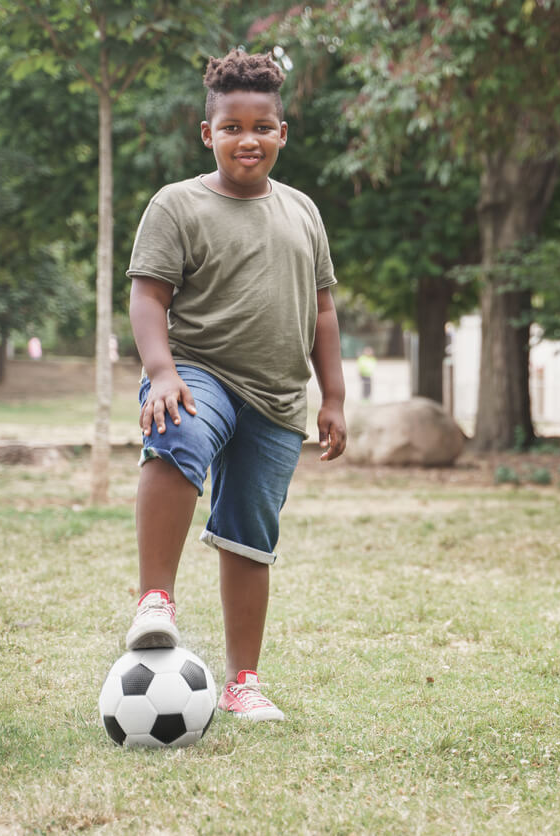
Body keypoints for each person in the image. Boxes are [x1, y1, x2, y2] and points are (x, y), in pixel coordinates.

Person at [123, 49, 347, 722]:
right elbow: (147, 296)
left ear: (282, 132)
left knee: (250, 536)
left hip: (277, 397)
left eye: (261, 126)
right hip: (198, 370)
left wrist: (332, 395)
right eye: (231, 127)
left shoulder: (303, 211)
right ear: (207, 133)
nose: (247, 139)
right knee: (179, 430)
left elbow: (324, 309)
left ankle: (243, 681)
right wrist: (162, 372)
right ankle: (154, 602)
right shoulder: (178, 205)